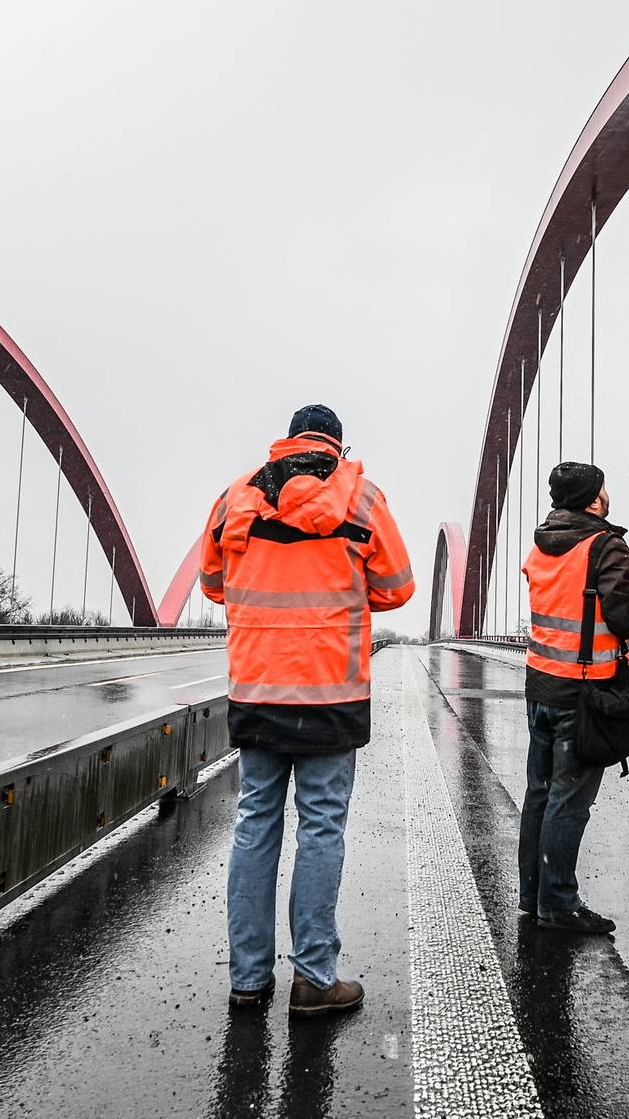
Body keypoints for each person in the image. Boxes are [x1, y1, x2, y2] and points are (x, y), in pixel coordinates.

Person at [198, 404, 414, 1016]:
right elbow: (398, 587)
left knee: (254, 823)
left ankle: (247, 978)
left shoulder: (235, 498)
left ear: (287, 440)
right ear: (337, 446)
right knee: (320, 827)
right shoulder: (361, 499)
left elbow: (213, 584)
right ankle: (314, 979)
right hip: (330, 692)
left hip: (258, 688)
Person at [518, 459, 629, 934]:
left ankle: (532, 896)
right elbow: (624, 616)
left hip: (540, 684)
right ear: (594, 499)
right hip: (584, 691)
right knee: (568, 801)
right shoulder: (605, 546)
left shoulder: (540, 545)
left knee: (540, 793)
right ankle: (558, 904)